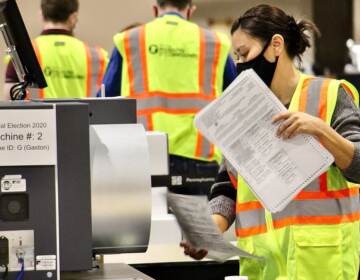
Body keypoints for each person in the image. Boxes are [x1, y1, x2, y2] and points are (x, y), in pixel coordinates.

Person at [181, 4, 360, 279]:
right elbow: (228, 187)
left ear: (276, 45)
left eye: (244, 53)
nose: (239, 64)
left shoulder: (330, 95)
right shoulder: (241, 112)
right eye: (236, 56)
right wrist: (208, 232)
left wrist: (321, 131)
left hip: (322, 265)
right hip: (262, 268)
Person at [101, 0, 236, 194]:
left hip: (142, 156)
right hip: (199, 160)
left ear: (155, 9)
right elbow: (235, 99)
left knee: (146, 224)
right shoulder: (214, 43)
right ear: (190, 11)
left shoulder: (130, 40)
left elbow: (105, 100)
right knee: (194, 224)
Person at [4, 0, 108, 100]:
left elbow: (9, 97)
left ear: (41, 14)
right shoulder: (98, 57)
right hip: (82, 118)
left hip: (38, 118)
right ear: (73, 17)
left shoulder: (22, 53)